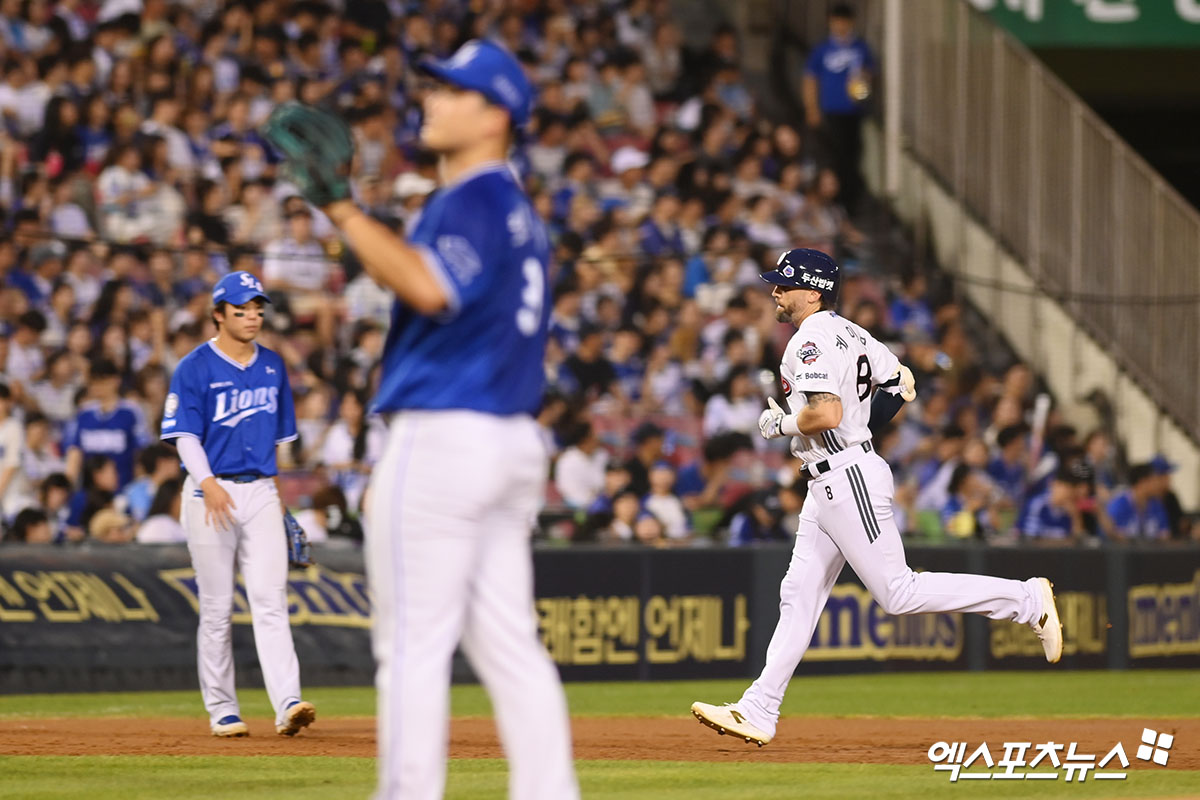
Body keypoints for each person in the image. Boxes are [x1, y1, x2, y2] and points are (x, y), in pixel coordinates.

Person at [266, 39, 579, 800]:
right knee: (510, 647)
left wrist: (339, 206)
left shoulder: (474, 196)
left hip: (446, 437)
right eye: (434, 85)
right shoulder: (518, 212)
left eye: (453, 90)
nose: (432, 98)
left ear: (497, 114)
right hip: (508, 443)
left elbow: (431, 287)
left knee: (411, 643)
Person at [690, 249, 1062, 747]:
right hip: (830, 479)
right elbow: (903, 383)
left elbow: (826, 413)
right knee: (797, 596)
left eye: (785, 283)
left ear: (813, 292)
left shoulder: (811, 340)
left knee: (898, 592)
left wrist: (783, 424)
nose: (775, 290)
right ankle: (759, 708)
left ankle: (1025, 599)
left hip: (846, 476)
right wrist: (859, 427)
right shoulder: (851, 332)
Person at [160, 270, 315, 739]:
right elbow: (184, 434)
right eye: (242, 309)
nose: (252, 316)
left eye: (257, 309)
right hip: (210, 493)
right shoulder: (194, 367)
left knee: (270, 600)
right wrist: (208, 482)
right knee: (218, 605)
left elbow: (277, 443)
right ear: (218, 315)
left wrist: (279, 500)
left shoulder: (272, 365)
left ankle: (288, 702)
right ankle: (222, 708)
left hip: (260, 491)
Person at [802, 3, 874, 215]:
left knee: (853, 156)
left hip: (853, 111)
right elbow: (810, 79)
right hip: (830, 112)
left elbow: (868, 74)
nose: (840, 25)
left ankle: (849, 203)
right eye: (837, 21)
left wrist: (861, 86)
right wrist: (811, 108)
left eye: (844, 21)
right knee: (833, 157)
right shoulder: (822, 50)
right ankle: (833, 202)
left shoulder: (861, 48)